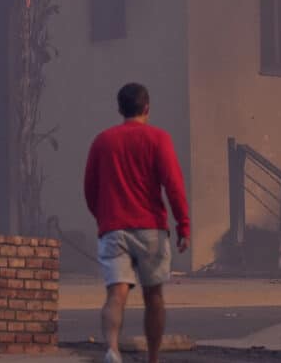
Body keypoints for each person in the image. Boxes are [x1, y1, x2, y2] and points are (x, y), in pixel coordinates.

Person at [84, 83, 191, 363]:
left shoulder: (102, 141)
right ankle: (153, 358)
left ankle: (112, 349)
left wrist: (104, 217)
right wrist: (183, 225)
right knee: (154, 296)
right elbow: (174, 185)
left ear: (120, 108)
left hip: (114, 229)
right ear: (147, 108)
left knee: (115, 294)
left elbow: (90, 188)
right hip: (151, 229)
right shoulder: (159, 139)